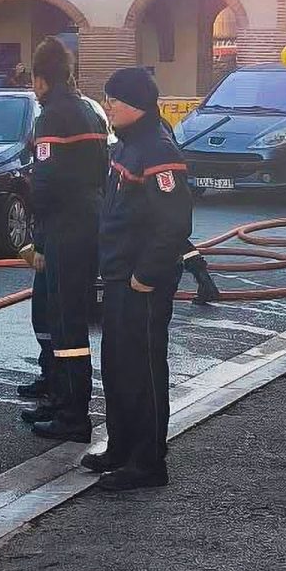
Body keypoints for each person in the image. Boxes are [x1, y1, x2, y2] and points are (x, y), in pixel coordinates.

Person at [87, 66, 193, 491]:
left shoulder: (157, 151)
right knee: (117, 365)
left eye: (113, 99)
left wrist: (146, 276)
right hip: (117, 275)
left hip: (139, 282)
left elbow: (173, 223)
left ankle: (148, 461)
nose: (108, 106)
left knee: (143, 369)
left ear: (134, 105)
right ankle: (121, 445)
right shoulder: (126, 145)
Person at [19, 37, 109, 444]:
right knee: (61, 316)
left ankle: (73, 413)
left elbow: (46, 181)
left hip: (62, 228)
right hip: (87, 221)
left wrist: (37, 237)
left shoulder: (51, 117)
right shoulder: (90, 113)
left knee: (67, 323)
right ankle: (59, 396)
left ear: (40, 80)